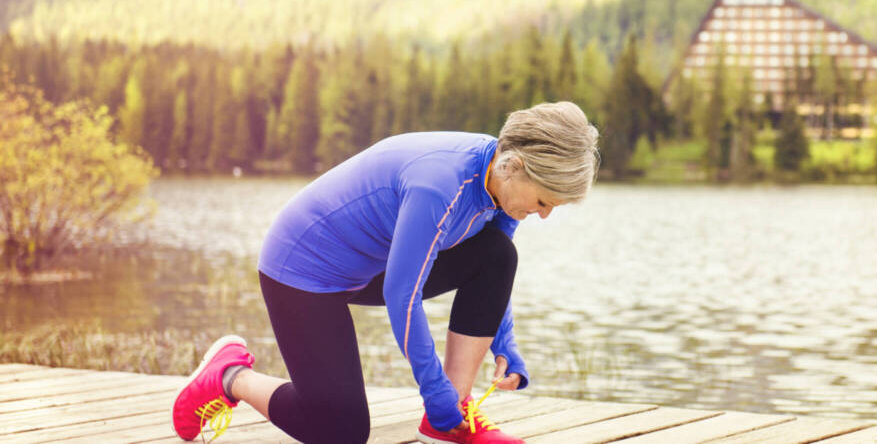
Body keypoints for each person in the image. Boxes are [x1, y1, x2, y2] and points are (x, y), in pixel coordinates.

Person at [171, 102, 600, 444]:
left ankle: (450, 422)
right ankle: (229, 376)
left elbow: (491, 261)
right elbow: (403, 298)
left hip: (370, 263)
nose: (542, 215)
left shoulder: (501, 179)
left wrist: (505, 343)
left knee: (498, 253)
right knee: (339, 432)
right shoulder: (441, 186)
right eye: (544, 202)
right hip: (302, 268)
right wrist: (434, 394)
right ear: (517, 166)